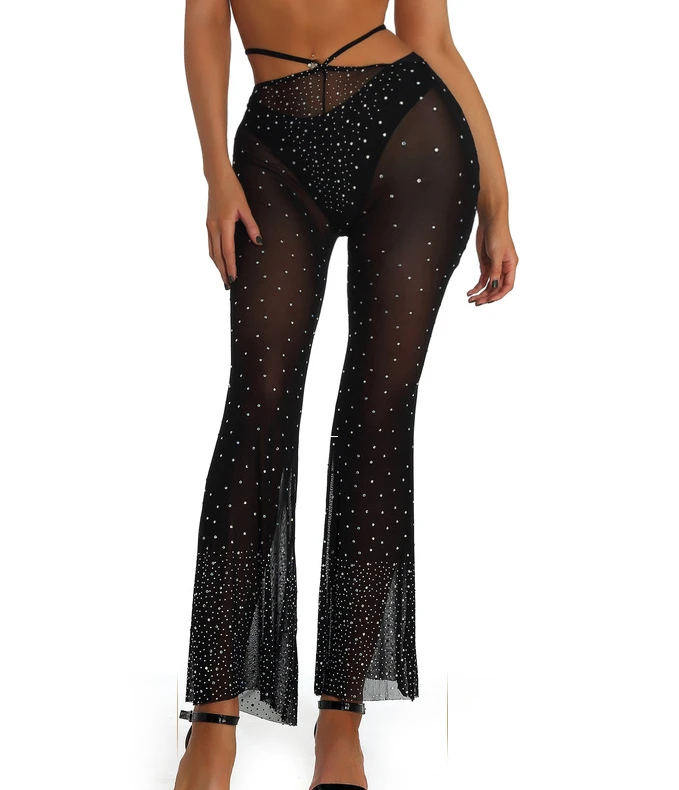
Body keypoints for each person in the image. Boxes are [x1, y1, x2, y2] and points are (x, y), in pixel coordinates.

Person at [175, 0, 518, 787]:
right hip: (272, 151)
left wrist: (498, 205)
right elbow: (204, 22)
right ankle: (213, 719)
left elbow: (433, 41)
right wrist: (216, 172)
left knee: (377, 419)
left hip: (413, 138)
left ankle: (341, 721)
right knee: (256, 412)